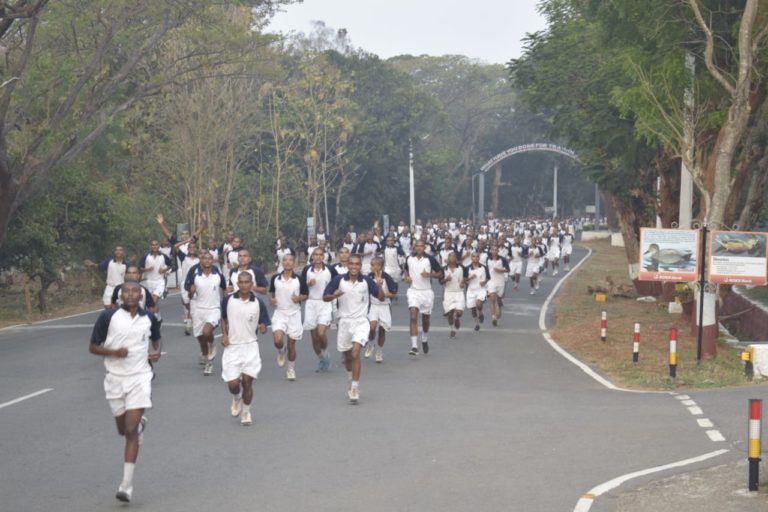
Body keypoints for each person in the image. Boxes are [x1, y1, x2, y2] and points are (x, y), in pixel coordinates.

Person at [89, 282, 161, 503]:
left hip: (140, 378)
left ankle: (126, 486)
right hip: (114, 379)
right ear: (120, 295)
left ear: (141, 296)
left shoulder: (148, 319)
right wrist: (113, 352)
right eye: (126, 292)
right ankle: (140, 426)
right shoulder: (108, 317)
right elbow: (93, 346)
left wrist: (156, 352)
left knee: (130, 431)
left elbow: (156, 338)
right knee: (124, 430)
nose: (130, 294)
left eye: (134, 292)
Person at [323, 253, 383, 403]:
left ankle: (355, 387)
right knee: (347, 357)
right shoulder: (338, 280)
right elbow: (325, 296)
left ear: (360, 266)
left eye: (357, 264)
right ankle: (350, 379)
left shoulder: (367, 281)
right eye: (352, 264)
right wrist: (334, 296)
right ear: (347, 265)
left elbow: (381, 297)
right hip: (344, 322)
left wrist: (380, 286)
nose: (354, 266)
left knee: (356, 353)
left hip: (362, 322)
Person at [220, 272, 271, 426]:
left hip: (251, 346)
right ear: (237, 283)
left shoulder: (258, 303)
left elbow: (264, 325)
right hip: (232, 347)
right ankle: (236, 398)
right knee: (233, 384)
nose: (244, 285)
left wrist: (263, 328)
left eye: (247, 282)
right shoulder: (228, 300)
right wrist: (224, 334)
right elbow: (223, 318)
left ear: (251, 283)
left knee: (248, 382)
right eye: (241, 282)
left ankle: (246, 412)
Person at [185, 252, 226, 376]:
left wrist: (225, 304)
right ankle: (206, 356)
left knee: (207, 332)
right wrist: (191, 292)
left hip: (214, 310)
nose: (207, 260)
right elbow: (190, 294)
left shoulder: (218, 275)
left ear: (212, 260)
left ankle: (210, 356)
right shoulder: (195, 275)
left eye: (209, 258)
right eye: (204, 258)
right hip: (199, 310)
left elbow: (224, 289)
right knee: (201, 340)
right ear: (200, 260)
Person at [269, 254, 308, 381]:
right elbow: (271, 294)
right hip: (280, 313)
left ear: (294, 263)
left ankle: (291, 369)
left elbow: (305, 295)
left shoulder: (299, 279)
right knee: (278, 340)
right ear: (282, 262)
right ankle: (281, 351)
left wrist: (299, 298)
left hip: (294, 314)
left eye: (290, 260)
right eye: (285, 260)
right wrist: (272, 300)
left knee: (291, 345)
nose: (287, 262)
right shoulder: (275, 278)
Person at [301, 248, 338, 372]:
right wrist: (308, 284)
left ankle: (325, 352)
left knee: (321, 333)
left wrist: (333, 295)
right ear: (312, 257)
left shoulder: (330, 269)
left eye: (320, 255)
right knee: (314, 337)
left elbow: (337, 283)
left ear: (324, 257)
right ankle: (321, 358)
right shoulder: (307, 270)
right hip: (311, 303)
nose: (317, 257)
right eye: (315, 254)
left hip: (325, 303)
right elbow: (302, 287)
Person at [404, 239, 443, 355]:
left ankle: (424, 337)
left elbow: (440, 273)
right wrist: (406, 277)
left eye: (421, 246)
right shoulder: (409, 259)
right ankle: (414, 346)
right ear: (414, 247)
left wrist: (429, 274)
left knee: (425, 320)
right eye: (417, 246)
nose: (419, 248)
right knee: (413, 317)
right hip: (413, 291)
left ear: (424, 248)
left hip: (427, 292)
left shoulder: (430, 259)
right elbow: (405, 269)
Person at [365, 256, 398, 363]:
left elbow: (393, 293)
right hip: (373, 306)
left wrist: (382, 293)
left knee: (382, 331)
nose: (371, 267)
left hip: (384, 306)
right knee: (372, 328)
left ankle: (379, 351)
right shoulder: (369, 276)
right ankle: (370, 344)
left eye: (373, 265)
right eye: (371, 264)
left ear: (379, 266)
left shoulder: (386, 277)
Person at [138, 240, 172, 321]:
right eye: (153, 245)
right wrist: (147, 269)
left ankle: (153, 321)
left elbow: (171, 265)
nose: (154, 246)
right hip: (149, 282)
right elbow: (139, 268)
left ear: (158, 246)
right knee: (152, 304)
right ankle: (159, 318)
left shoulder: (163, 256)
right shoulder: (146, 257)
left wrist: (164, 270)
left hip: (160, 282)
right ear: (150, 247)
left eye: (156, 245)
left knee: (154, 300)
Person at [440, 251, 465, 338]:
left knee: (459, 312)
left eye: (454, 257)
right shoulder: (443, 269)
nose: (452, 258)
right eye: (450, 256)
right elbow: (440, 281)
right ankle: (452, 329)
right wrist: (446, 280)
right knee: (450, 313)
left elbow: (463, 280)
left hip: (459, 292)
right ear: (448, 259)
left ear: (456, 259)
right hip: (448, 293)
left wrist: (462, 284)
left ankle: (457, 318)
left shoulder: (461, 268)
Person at [486, 243, 510, 326]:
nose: (494, 251)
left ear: (498, 251)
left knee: (499, 299)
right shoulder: (487, 259)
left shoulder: (502, 259)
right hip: (491, 281)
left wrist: (501, 270)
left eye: (496, 250)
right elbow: (485, 269)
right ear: (490, 251)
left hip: (500, 281)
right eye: (493, 250)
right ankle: (493, 317)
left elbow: (508, 270)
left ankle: (499, 307)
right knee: (492, 298)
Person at [465, 252, 490, 331]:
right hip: (471, 290)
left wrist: (484, 282)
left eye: (477, 257)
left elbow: (488, 277)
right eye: (473, 257)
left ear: (479, 258)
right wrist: (470, 278)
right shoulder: (467, 268)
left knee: (478, 304)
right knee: (473, 309)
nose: (475, 258)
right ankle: (477, 324)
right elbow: (464, 280)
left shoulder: (484, 267)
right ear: (471, 258)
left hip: (481, 289)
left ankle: (481, 313)